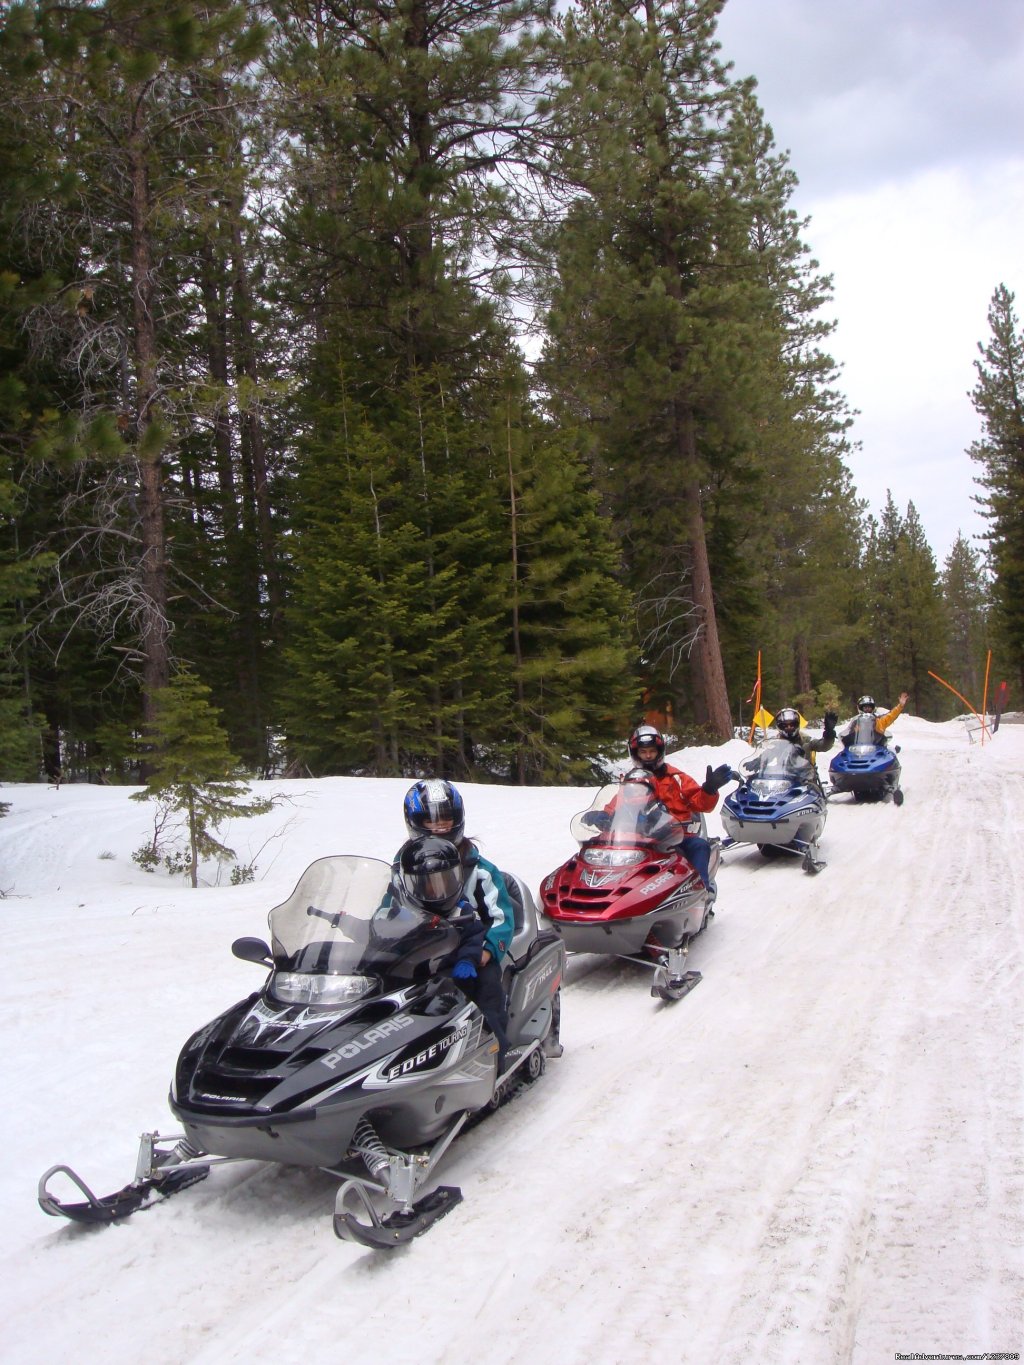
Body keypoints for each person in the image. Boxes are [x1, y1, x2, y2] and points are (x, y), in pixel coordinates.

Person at [395, 835, 509, 1064]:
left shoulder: (463, 909)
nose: (436, 890)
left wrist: (475, 957)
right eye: (428, 884)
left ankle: (497, 1049)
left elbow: (476, 933)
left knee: (487, 989)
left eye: (442, 882)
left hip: (467, 963)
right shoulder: (409, 904)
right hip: (427, 965)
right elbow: (386, 921)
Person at [401, 779, 516, 971]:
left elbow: (501, 917)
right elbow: (387, 908)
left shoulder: (481, 871)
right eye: (430, 820)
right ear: (415, 822)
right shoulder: (403, 867)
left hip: (470, 950)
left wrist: (488, 949)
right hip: (420, 951)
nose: (440, 826)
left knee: (488, 989)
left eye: (446, 818)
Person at [614, 724, 733, 901]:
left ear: (659, 751)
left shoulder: (676, 777)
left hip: (676, 836)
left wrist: (709, 789)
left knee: (699, 846)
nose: (648, 756)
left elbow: (700, 803)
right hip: (640, 838)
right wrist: (601, 816)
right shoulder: (631, 781)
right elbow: (616, 804)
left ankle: (702, 893)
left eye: (652, 751)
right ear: (635, 754)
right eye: (643, 752)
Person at [773, 706, 838, 761]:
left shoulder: (806, 739)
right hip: (781, 775)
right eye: (784, 725)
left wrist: (829, 733)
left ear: (797, 724)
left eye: (792, 724)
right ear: (779, 726)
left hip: (806, 774)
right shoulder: (774, 743)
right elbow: (764, 758)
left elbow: (824, 746)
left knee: (805, 746)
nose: (789, 727)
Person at [842, 692, 910, 743]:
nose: (867, 710)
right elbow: (849, 735)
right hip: (858, 750)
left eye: (869, 707)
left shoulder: (879, 720)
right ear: (860, 708)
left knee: (892, 753)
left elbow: (891, 715)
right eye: (865, 707)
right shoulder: (856, 722)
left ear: (873, 708)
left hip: (877, 748)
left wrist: (900, 705)